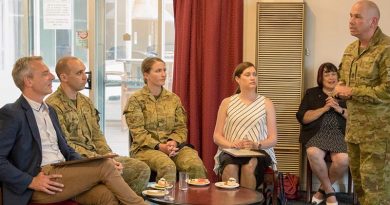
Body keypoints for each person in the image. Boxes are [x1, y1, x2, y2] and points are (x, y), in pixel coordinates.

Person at [0, 56, 146, 205]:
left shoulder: (50, 110)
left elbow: (67, 151)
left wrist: (95, 161)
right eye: (45, 74)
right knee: (105, 166)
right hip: (41, 180)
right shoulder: (12, 113)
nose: (51, 76)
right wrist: (31, 181)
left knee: (107, 196)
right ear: (28, 81)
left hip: (64, 171)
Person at [45, 56, 150, 195]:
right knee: (129, 172)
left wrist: (107, 155)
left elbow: (96, 134)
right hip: (76, 162)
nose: (84, 77)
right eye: (79, 73)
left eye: (84, 72)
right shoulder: (52, 105)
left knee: (140, 168)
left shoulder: (85, 101)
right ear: (64, 77)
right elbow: (66, 145)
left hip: (98, 158)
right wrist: (99, 160)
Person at [334, 1, 390, 204]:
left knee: (377, 193)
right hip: (354, 132)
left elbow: (387, 90)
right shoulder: (350, 50)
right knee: (360, 190)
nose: (351, 21)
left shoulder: (386, 49)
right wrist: (340, 87)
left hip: (378, 137)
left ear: (373, 21)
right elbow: (343, 80)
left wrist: (352, 92)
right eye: (350, 15)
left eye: (357, 17)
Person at [123, 57, 207, 182]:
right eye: (158, 71)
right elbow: (138, 133)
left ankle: (196, 199)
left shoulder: (173, 99)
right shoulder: (136, 100)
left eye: (164, 70)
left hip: (173, 147)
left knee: (195, 164)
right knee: (167, 166)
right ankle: (165, 200)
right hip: (145, 149)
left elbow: (181, 127)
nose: (163, 74)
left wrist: (173, 141)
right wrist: (159, 146)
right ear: (146, 75)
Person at [213, 62, 277, 190]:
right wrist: (231, 144)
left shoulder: (266, 103)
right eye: (248, 75)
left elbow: (273, 139)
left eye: (254, 74)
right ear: (238, 79)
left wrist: (256, 144)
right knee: (231, 167)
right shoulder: (227, 102)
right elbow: (216, 136)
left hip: (258, 151)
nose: (252, 78)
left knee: (249, 167)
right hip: (231, 151)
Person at [296, 62, 348, 205]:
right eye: (327, 74)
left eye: (333, 74)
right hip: (317, 134)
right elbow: (303, 117)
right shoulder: (311, 93)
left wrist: (339, 109)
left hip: (339, 134)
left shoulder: (346, 94)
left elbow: (357, 118)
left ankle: (321, 191)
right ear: (321, 77)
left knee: (343, 159)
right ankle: (331, 194)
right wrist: (325, 108)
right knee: (312, 152)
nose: (331, 77)